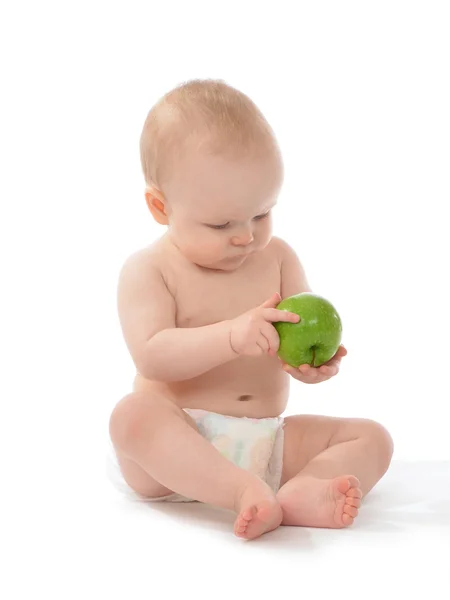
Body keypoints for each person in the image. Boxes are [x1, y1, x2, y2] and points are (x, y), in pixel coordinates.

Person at [109, 79, 393, 540]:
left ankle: (301, 490)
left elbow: (292, 341)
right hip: (181, 447)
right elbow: (152, 355)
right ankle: (241, 491)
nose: (245, 235)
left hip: (266, 441)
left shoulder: (278, 258)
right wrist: (230, 336)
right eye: (221, 223)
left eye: (261, 214)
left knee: (373, 438)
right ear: (161, 206)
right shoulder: (150, 270)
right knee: (131, 416)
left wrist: (307, 365)